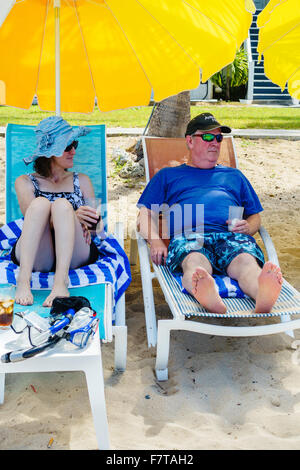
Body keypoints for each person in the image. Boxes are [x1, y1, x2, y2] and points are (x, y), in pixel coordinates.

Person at [137, 112, 283, 314]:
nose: (215, 142)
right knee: (195, 263)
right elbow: (145, 214)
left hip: (230, 236)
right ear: (189, 141)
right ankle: (207, 292)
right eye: (207, 137)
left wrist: (249, 226)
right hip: (189, 236)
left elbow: (255, 216)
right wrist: (155, 241)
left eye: (219, 138)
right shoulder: (168, 175)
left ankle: (262, 294)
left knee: (245, 262)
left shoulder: (234, 176)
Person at [12, 116, 102, 307]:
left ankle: (61, 283)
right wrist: (73, 216)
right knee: (40, 205)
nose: (74, 151)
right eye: (68, 146)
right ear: (51, 152)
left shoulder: (83, 181)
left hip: (75, 254)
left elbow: (97, 230)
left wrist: (90, 222)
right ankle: (23, 281)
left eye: (74, 144)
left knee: (62, 205)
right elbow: (33, 223)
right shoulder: (24, 182)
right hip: (38, 254)